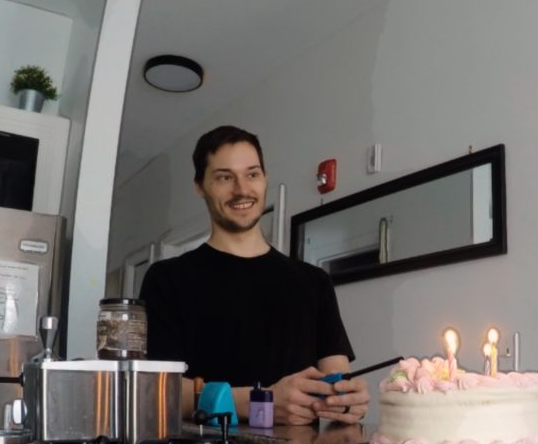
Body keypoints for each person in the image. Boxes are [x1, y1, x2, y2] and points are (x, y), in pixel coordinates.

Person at [139, 125, 369, 426]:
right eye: (224, 177)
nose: (242, 190)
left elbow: (336, 379)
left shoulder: (314, 282)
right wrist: (263, 401)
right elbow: (156, 391)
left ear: (265, 179)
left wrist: (347, 400)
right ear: (200, 186)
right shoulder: (166, 279)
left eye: (252, 174)